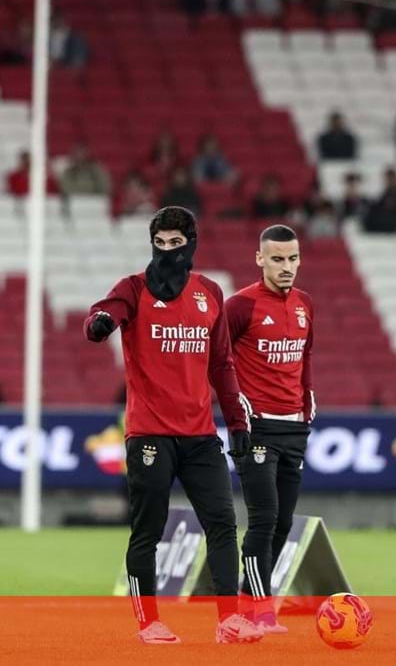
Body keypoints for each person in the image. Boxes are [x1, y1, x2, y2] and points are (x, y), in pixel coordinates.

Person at [83, 206, 261, 644]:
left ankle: (228, 621)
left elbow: (221, 364)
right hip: (149, 434)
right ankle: (148, 624)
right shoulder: (133, 289)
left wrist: (237, 422)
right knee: (148, 530)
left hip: (200, 435)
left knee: (221, 522)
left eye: (174, 244)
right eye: (159, 244)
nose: (166, 252)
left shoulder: (210, 293)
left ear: (191, 244)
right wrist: (99, 324)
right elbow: (102, 316)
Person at [224, 224, 315, 634]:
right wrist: (235, 410)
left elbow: (305, 357)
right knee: (264, 519)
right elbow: (215, 361)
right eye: (277, 259)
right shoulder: (240, 307)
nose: (287, 267)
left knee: (282, 522)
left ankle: (248, 600)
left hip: (294, 428)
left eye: (293, 258)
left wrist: (308, 396)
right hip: (256, 428)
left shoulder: (305, 304)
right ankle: (262, 612)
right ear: (259, 258)